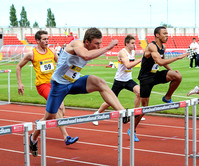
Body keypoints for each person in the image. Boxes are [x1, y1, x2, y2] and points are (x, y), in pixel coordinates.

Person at [29, 27, 126, 157]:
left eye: (100, 43)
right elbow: (85, 55)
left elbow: (88, 55)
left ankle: (123, 112)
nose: (99, 46)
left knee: (99, 82)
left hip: (74, 82)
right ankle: (33, 138)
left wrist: (102, 48)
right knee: (49, 118)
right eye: (96, 43)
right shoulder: (76, 44)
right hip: (59, 85)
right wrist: (108, 47)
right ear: (87, 42)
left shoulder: (91, 48)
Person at [16, 30, 79, 154]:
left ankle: (37, 129)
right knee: (59, 108)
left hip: (55, 84)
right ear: (38, 41)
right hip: (43, 85)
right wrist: (20, 83)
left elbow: (61, 63)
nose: (46, 41)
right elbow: (18, 66)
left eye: (47, 39)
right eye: (44, 39)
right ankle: (66, 137)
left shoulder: (52, 51)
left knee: (56, 114)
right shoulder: (32, 54)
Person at [92, 35, 142, 142]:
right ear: (127, 43)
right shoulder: (122, 53)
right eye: (132, 43)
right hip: (119, 81)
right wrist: (141, 59)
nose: (134, 45)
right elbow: (128, 65)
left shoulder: (133, 52)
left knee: (139, 92)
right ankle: (97, 114)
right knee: (110, 101)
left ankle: (136, 112)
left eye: (135, 43)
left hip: (128, 80)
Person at [138, 26, 190, 108]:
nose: (167, 35)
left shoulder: (163, 47)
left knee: (177, 76)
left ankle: (167, 97)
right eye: (164, 33)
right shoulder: (152, 46)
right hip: (146, 78)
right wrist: (178, 57)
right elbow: (160, 62)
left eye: (167, 34)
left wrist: (171, 71)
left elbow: (164, 61)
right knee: (144, 107)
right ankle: (133, 121)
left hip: (155, 74)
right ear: (157, 35)